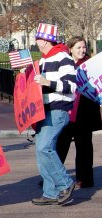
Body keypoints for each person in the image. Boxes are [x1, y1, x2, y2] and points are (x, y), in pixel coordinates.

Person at [30, 23, 76, 205]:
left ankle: (65, 183)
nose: (37, 42)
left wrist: (46, 81)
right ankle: (50, 192)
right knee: (41, 151)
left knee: (44, 148)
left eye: (38, 38)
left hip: (58, 109)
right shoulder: (44, 59)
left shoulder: (63, 57)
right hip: (46, 110)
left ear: (46, 40)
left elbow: (71, 86)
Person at [56, 36, 102, 189]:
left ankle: (85, 179)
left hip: (85, 112)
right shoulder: (64, 64)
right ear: (70, 49)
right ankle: (54, 178)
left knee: (84, 147)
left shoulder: (90, 64)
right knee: (60, 146)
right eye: (78, 48)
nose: (82, 50)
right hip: (66, 111)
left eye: (84, 47)